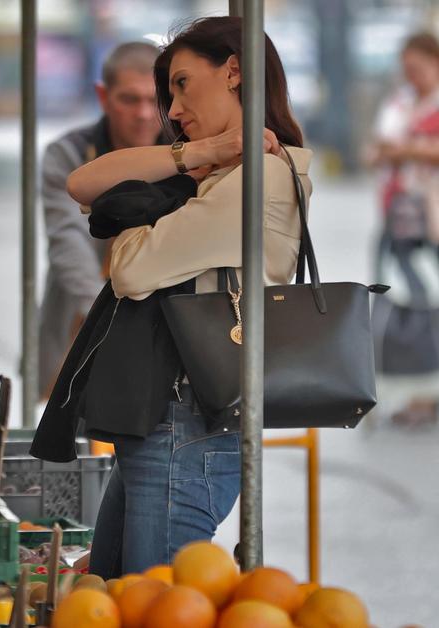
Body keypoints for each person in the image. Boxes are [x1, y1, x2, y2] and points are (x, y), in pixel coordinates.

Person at [31, 16, 312, 577]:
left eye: (182, 84)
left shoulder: (262, 178)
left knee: (154, 601)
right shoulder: (212, 171)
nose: (172, 109)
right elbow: (82, 185)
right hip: (164, 418)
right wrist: (197, 152)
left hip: (191, 426)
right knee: (115, 588)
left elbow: (130, 271)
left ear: (233, 71)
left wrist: (141, 209)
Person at [38, 42, 164, 399]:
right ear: (103, 96)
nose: (143, 113)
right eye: (129, 99)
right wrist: (105, 320)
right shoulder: (69, 153)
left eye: (153, 100)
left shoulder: (184, 154)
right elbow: (67, 239)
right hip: (84, 311)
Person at [367, 32, 439, 426]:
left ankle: (427, 395)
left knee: (428, 306)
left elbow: (394, 149)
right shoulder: (400, 103)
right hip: (401, 220)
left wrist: (407, 149)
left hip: (432, 219)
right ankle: (419, 394)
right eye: (407, 69)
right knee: (409, 308)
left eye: (418, 68)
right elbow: (375, 150)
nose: (412, 76)